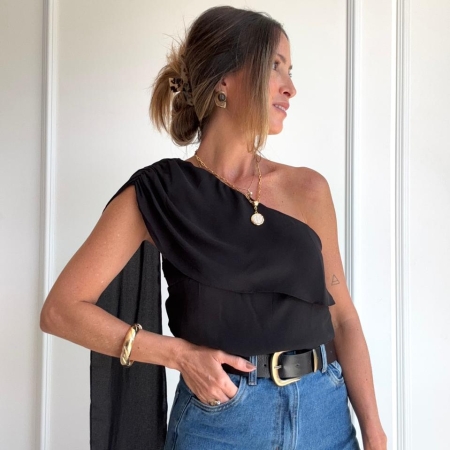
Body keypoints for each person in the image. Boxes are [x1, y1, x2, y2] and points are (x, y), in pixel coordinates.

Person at [40, 5, 387, 450]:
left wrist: (374, 434)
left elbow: (343, 319)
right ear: (225, 79)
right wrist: (178, 354)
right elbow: (61, 310)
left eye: (291, 70)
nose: (290, 87)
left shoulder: (309, 190)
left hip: (325, 415)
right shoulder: (160, 193)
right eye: (275, 66)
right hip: (221, 423)